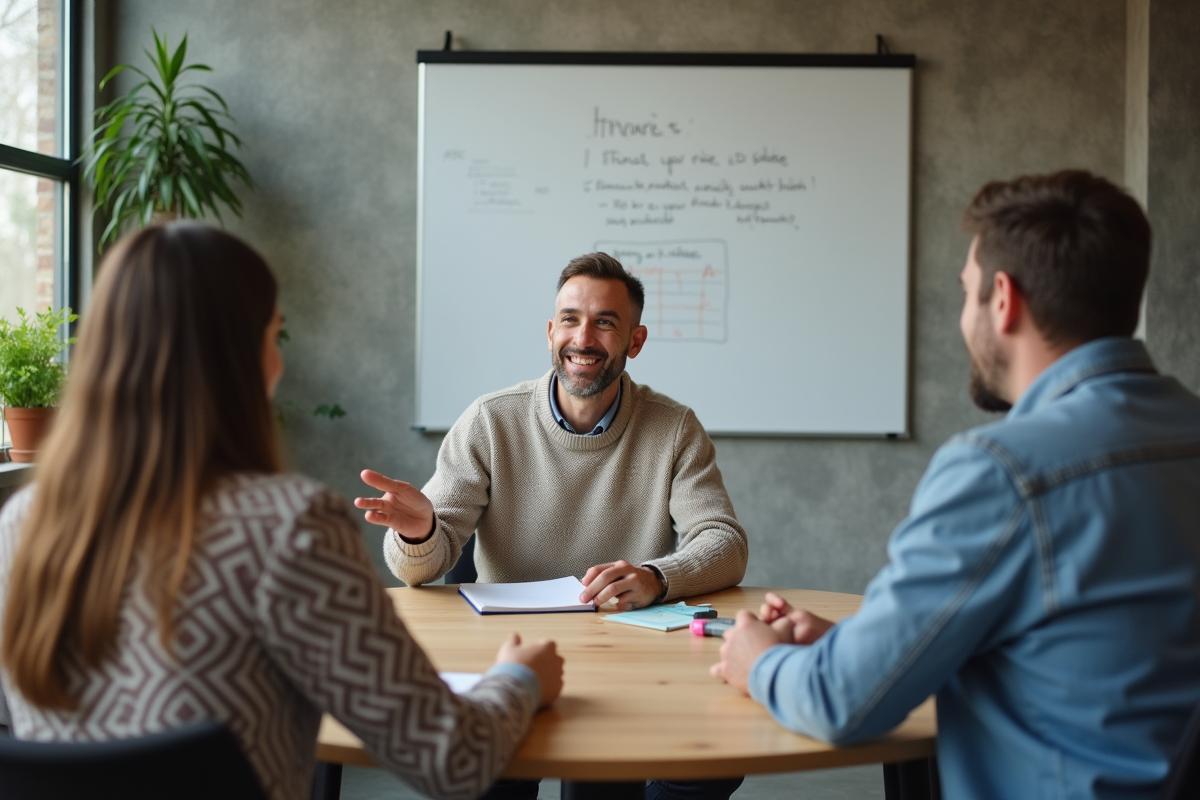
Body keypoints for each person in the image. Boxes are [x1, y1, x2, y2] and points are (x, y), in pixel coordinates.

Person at [0, 224, 563, 800]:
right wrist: (519, 679)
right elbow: (452, 759)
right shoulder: (286, 528)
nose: (279, 363)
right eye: (273, 335)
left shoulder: (21, 525)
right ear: (234, 355)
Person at [713, 170, 1200, 800]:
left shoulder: (1004, 471)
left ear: (1004, 299)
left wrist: (761, 662)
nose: (962, 317)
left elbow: (841, 704)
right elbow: (1093, 657)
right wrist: (862, 648)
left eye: (966, 293)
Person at [359, 252, 748, 799]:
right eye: (570, 318)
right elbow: (417, 568)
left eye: (605, 322)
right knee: (489, 777)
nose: (583, 338)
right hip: (508, 651)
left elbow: (724, 543)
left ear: (635, 341)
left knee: (699, 767)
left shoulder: (674, 428)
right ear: (549, 332)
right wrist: (421, 533)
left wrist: (658, 577)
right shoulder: (491, 420)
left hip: (626, 661)